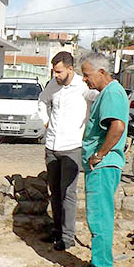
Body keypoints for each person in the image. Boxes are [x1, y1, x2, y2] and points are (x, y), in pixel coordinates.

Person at [77, 52, 128, 267]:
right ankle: (101, 261)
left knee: (98, 217)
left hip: (103, 166)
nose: (85, 79)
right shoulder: (107, 93)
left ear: (101, 72)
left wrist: (99, 154)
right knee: (102, 216)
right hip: (103, 166)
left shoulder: (112, 93)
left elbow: (117, 126)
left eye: (86, 75)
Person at [38, 51, 97, 251]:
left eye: (59, 71)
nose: (55, 75)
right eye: (53, 71)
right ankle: (56, 231)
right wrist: (45, 121)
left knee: (68, 193)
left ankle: (68, 237)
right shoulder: (52, 86)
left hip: (72, 147)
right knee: (54, 191)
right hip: (52, 147)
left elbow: (98, 96)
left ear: (70, 69)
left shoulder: (83, 86)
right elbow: (41, 102)